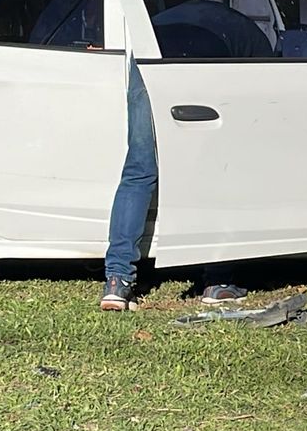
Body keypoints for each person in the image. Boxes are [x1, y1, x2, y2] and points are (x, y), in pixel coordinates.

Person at [99, 44, 246, 311]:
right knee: (214, 170)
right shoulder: (234, 26)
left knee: (139, 170)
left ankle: (117, 281)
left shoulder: (156, 16)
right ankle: (218, 280)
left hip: (148, 58)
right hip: (209, 62)